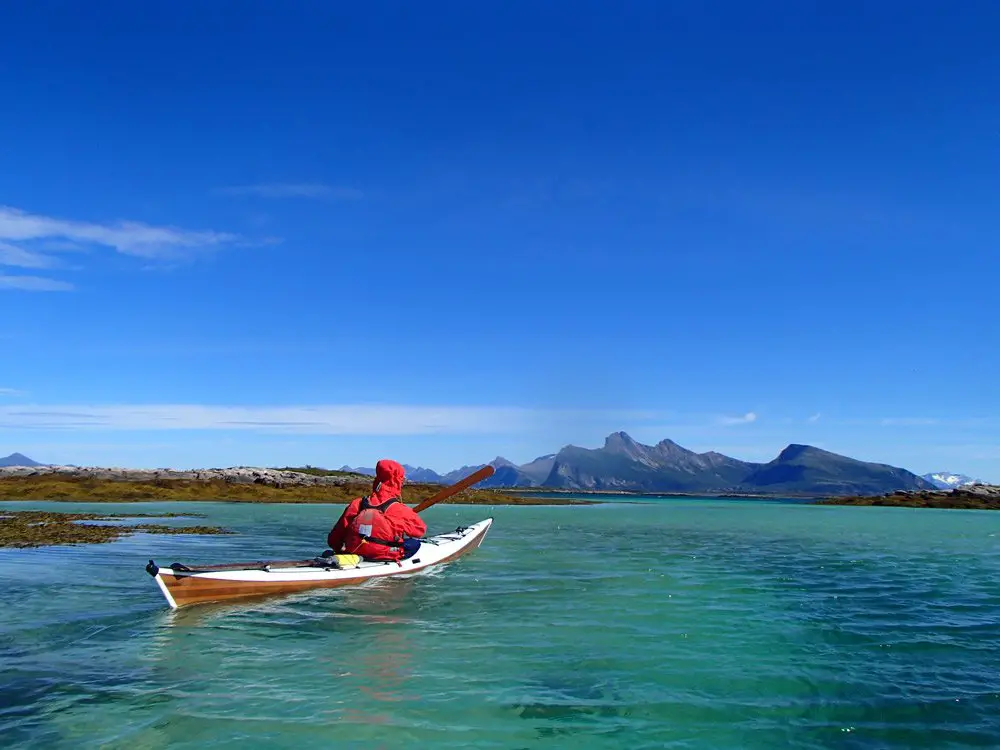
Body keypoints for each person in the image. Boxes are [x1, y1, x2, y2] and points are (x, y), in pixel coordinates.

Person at [325, 459, 427, 562]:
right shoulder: (399, 509)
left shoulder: (357, 504)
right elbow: (419, 530)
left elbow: (334, 538)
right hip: (385, 555)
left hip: (355, 551)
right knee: (415, 543)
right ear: (397, 481)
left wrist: (339, 550)